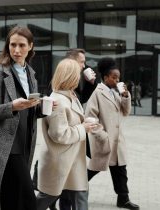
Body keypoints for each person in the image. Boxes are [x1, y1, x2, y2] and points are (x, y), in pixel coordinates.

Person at [0, 26, 43, 210]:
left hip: (25, 142)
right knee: (28, 200)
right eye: (13, 45)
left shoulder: (30, 73)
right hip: (4, 146)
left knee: (10, 198)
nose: (17, 50)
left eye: (21, 45)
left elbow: (30, 109)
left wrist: (43, 108)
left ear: (30, 46)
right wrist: (11, 107)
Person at [36, 58, 97, 210]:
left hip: (72, 160)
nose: (80, 77)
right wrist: (83, 128)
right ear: (71, 76)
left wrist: (85, 124)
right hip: (60, 161)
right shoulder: (58, 101)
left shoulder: (70, 95)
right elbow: (59, 134)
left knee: (79, 197)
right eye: (77, 74)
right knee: (46, 198)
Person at [85, 57, 139, 210]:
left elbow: (125, 111)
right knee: (92, 170)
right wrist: (102, 135)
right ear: (106, 77)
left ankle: (123, 198)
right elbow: (89, 117)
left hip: (117, 142)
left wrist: (126, 96)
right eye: (114, 77)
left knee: (121, 171)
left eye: (119, 78)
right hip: (104, 141)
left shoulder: (115, 93)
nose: (117, 80)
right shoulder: (97, 93)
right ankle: (68, 191)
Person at [57, 48, 98, 210]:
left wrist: (90, 83)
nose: (84, 65)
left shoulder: (77, 77)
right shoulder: (62, 78)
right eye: (82, 62)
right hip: (68, 141)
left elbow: (81, 98)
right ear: (72, 61)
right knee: (74, 187)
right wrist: (82, 126)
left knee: (73, 185)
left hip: (76, 139)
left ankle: (60, 201)